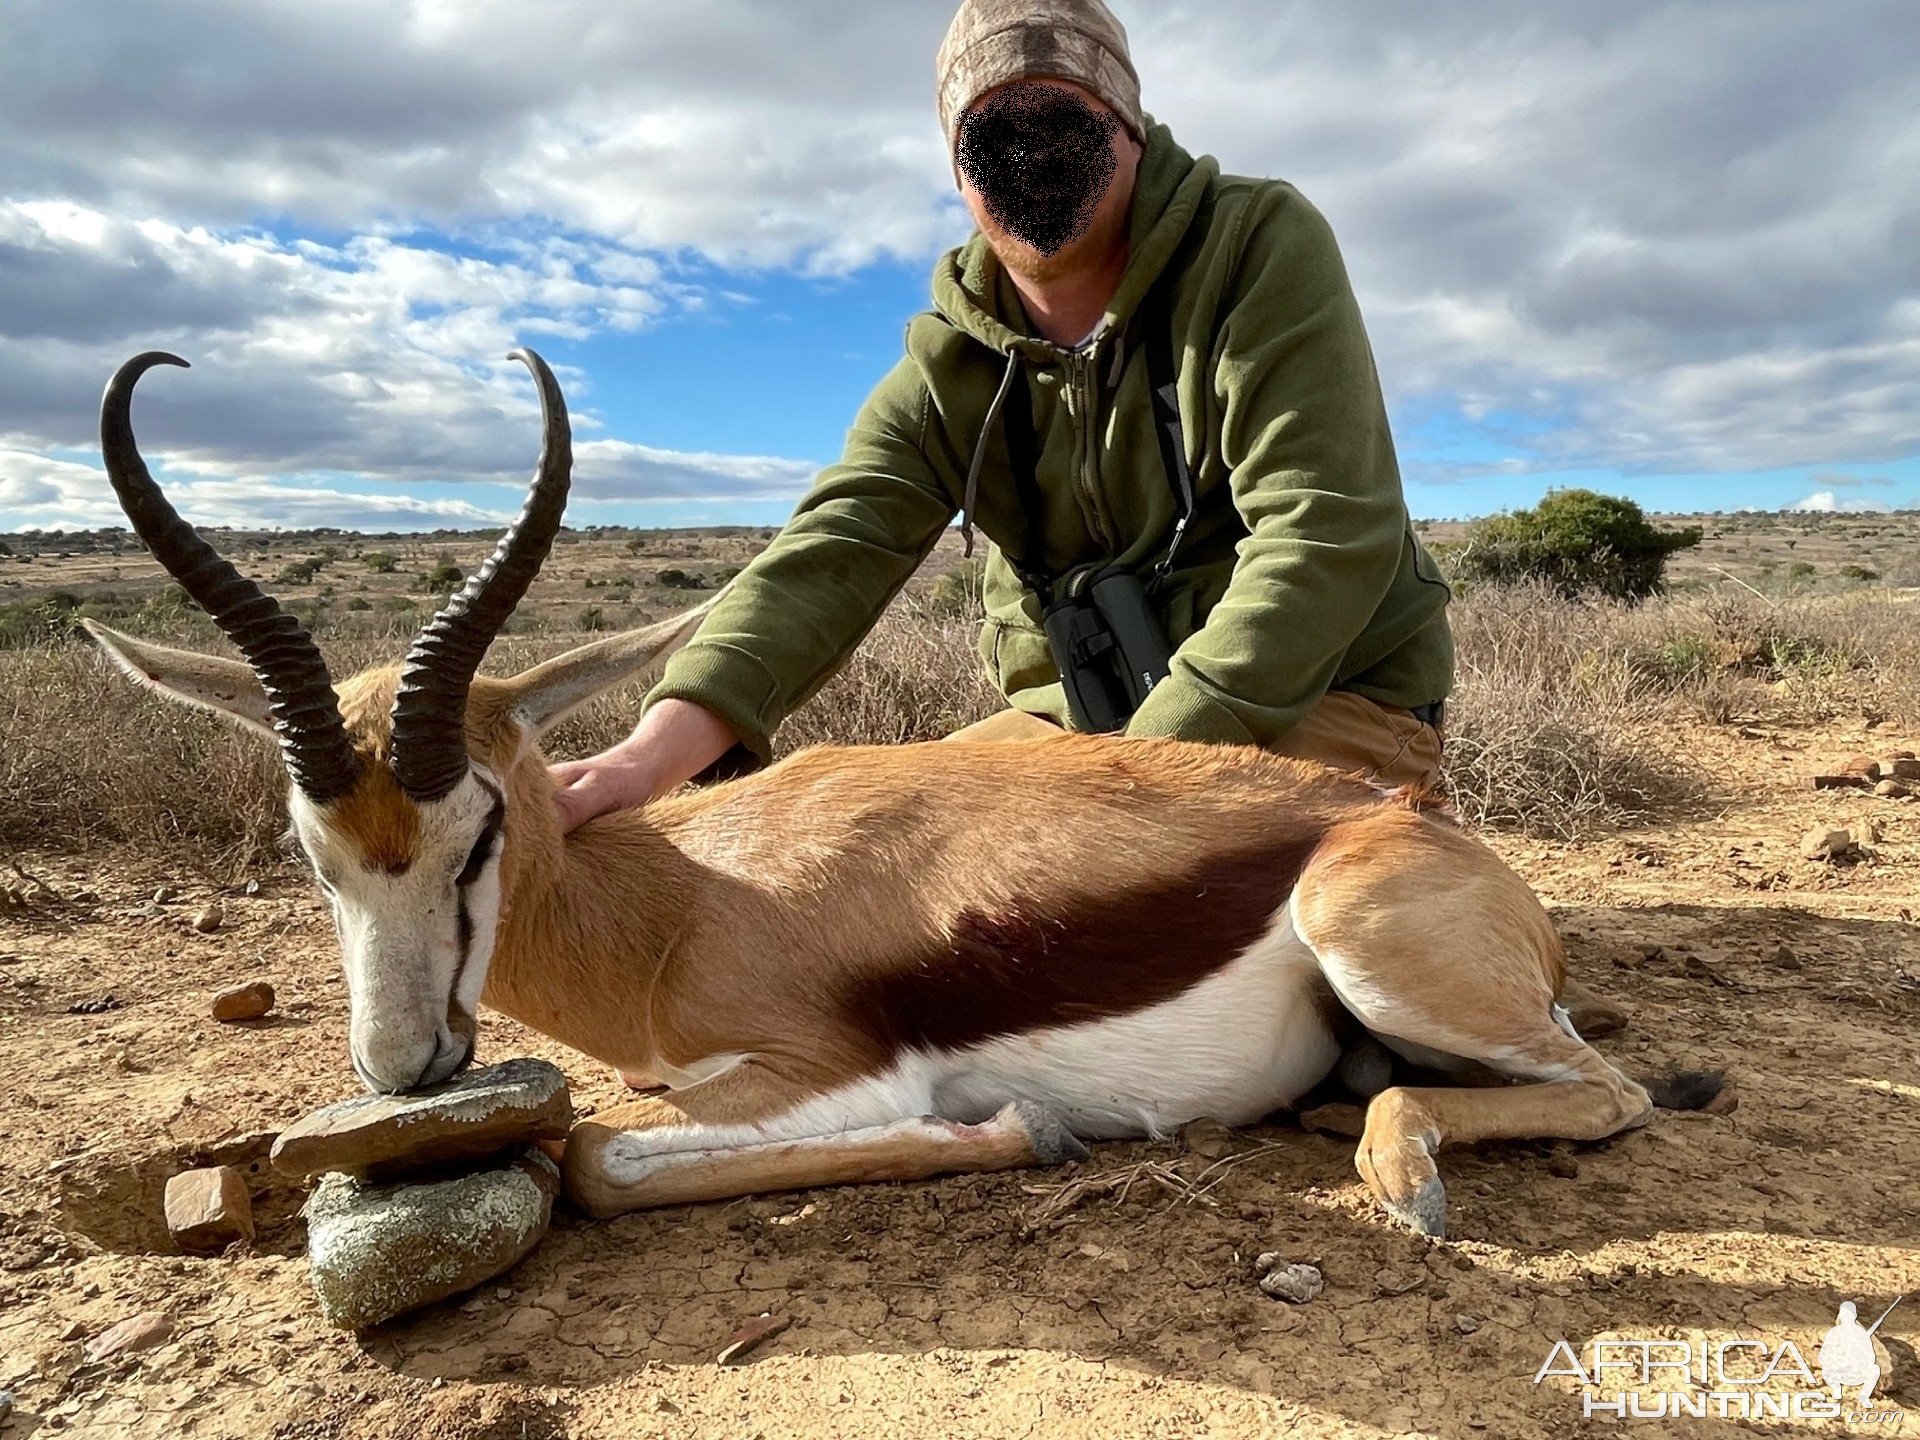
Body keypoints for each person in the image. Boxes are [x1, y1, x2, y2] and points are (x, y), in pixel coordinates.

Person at [551, 0, 1454, 836]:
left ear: (1130, 126)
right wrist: (642, 759)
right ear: (955, 168)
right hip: (1082, 734)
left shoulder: (1258, 245)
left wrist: (1130, 784)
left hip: (1322, 701)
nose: (1029, 162)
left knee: (1111, 932)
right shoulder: (953, 356)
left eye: (1065, 126)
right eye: (992, 139)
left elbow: (1323, 532)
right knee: (874, 859)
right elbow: (831, 553)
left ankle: (1436, 904)